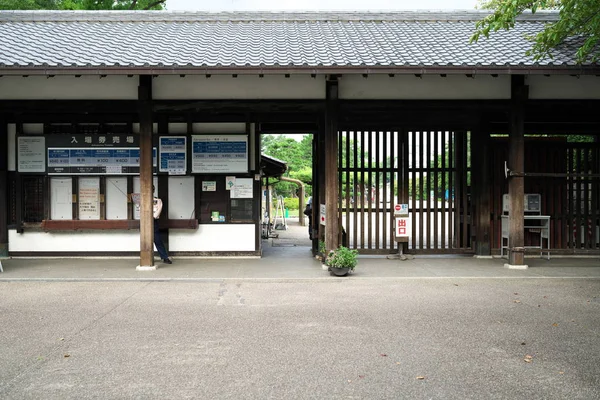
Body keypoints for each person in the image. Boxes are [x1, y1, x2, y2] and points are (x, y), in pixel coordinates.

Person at [153, 186, 172, 264]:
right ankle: (147, 257)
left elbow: (158, 211)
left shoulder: (157, 200)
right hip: (144, 221)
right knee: (145, 240)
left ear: (153, 190)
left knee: (157, 239)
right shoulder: (142, 200)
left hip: (154, 220)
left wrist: (153, 216)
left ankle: (164, 257)